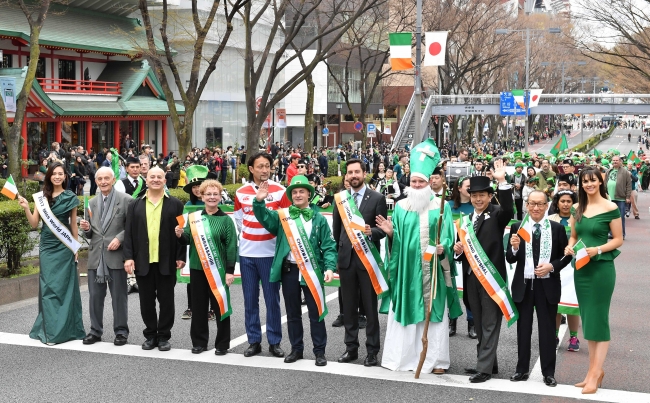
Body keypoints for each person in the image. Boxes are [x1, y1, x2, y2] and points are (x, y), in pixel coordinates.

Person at [376, 139, 462, 374]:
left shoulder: (441, 207)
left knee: (433, 314)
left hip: (432, 269)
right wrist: (392, 233)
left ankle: (435, 361)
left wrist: (444, 246)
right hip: (408, 270)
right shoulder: (402, 207)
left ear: (428, 184)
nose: (416, 184)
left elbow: (447, 235)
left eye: (420, 181)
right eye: (413, 181)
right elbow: (400, 242)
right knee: (408, 309)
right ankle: (404, 359)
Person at [253, 175, 337, 366]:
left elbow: (329, 246)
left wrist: (330, 267)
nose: (298, 195)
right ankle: (296, 349)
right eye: (294, 192)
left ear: (309, 194)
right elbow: (264, 217)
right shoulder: (282, 216)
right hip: (289, 270)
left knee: (317, 313)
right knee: (292, 313)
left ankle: (319, 352)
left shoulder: (318, 218)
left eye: (302, 191)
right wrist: (259, 201)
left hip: (312, 271)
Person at [563, 167, 623, 394]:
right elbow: (574, 235)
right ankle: (591, 372)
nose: (589, 184)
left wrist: (596, 250)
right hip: (581, 269)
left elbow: (617, 240)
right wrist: (570, 245)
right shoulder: (577, 207)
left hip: (601, 269)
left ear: (600, 182)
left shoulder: (611, 208)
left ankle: (596, 373)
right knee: (588, 320)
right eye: (585, 181)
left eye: (593, 180)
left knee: (599, 319)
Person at [453, 162, 514, 383]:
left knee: (489, 323)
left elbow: (509, 209)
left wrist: (501, 181)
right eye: (475, 195)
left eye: (483, 195)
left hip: (491, 279)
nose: (478, 199)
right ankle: (488, 362)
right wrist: (457, 250)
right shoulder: (467, 220)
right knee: (479, 323)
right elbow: (461, 249)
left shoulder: (497, 214)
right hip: (471, 277)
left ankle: (484, 369)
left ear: (490, 197)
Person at [506, 190, 571, 387]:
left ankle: (549, 372)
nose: (535, 208)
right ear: (526, 205)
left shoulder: (557, 228)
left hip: (547, 285)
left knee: (548, 330)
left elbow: (566, 256)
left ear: (546, 206)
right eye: (532, 204)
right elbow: (510, 258)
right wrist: (514, 247)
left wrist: (552, 266)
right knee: (523, 330)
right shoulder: (518, 227)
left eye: (540, 204)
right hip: (524, 286)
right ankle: (521, 369)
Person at [17, 162, 85, 344]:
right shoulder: (41, 198)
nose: (57, 176)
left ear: (65, 176)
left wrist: (75, 247)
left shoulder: (70, 197)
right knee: (49, 287)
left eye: (60, 174)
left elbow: (73, 225)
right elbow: (33, 223)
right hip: (47, 246)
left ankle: (67, 329)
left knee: (65, 287)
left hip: (64, 246)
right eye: (54, 173)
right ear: (49, 176)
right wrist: (25, 207)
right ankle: (51, 331)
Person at [234, 152, 291, 358]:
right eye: (260, 166)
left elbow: (286, 221)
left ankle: (275, 342)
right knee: (250, 300)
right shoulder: (241, 192)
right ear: (251, 169)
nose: (264, 170)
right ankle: (253, 341)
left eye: (267, 166)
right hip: (247, 254)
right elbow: (240, 221)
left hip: (270, 255)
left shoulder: (280, 191)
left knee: (272, 300)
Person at [332, 158, 387, 366]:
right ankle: (351, 348)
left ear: (364, 173)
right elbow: (337, 233)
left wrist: (370, 232)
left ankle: (372, 351)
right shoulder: (341, 199)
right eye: (350, 172)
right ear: (346, 176)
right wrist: (339, 257)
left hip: (368, 260)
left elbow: (383, 229)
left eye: (357, 172)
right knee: (349, 307)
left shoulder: (377, 198)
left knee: (370, 309)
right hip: (347, 261)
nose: (353, 176)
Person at [123, 166, 185, 351]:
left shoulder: (176, 204)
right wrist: (128, 258)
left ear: (165, 180)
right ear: (146, 180)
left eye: (160, 177)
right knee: (146, 301)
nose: (156, 179)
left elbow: (182, 232)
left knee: (167, 301)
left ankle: (164, 336)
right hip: (143, 261)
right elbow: (129, 234)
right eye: (152, 177)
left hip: (167, 261)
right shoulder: (134, 204)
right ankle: (150, 335)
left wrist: (181, 256)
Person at [175, 179, 237, 355]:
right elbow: (186, 239)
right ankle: (199, 342)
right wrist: (179, 235)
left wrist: (230, 272)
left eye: (215, 194)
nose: (211, 197)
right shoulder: (194, 219)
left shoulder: (226, 221)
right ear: (202, 196)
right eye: (208, 194)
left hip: (219, 270)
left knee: (220, 307)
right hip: (197, 268)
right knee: (199, 307)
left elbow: (232, 247)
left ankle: (222, 344)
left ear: (220, 197)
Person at [79, 167, 132, 346]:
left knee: (119, 297)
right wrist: (85, 229)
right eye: (99, 179)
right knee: (95, 297)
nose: (103, 182)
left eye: (106, 178)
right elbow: (90, 234)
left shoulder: (126, 200)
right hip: (96, 256)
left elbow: (133, 228)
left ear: (114, 179)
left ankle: (121, 332)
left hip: (116, 255)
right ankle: (95, 331)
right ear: (95, 181)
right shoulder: (91, 203)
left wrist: (120, 238)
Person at [548, 190, 581, 352]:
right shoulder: (549, 220)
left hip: (575, 266)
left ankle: (574, 336)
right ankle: (553, 335)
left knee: (573, 303)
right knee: (557, 303)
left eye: (569, 201)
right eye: (563, 201)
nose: (566, 204)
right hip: (556, 266)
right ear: (557, 203)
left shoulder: (580, 220)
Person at [605, 156, 631, 239]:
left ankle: (621, 234)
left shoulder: (625, 172)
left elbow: (629, 185)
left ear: (620, 162)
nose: (615, 162)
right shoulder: (609, 171)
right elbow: (605, 183)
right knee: (610, 217)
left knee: (620, 217)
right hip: (609, 198)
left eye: (616, 160)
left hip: (620, 198)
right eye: (613, 160)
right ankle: (611, 233)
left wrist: (627, 196)